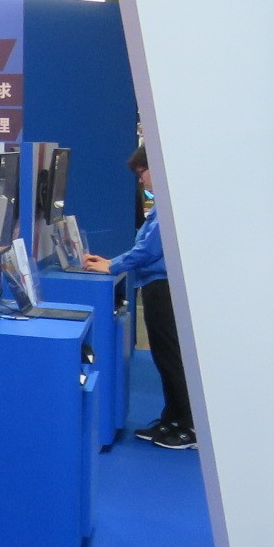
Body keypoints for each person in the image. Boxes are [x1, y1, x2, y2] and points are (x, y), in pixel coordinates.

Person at [84, 146, 190, 447]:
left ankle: (189, 425)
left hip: (164, 289)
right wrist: (112, 263)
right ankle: (173, 418)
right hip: (157, 287)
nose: (141, 180)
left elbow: (149, 249)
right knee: (164, 357)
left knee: (172, 357)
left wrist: (113, 265)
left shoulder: (170, 205)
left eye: (142, 172)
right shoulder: (163, 204)